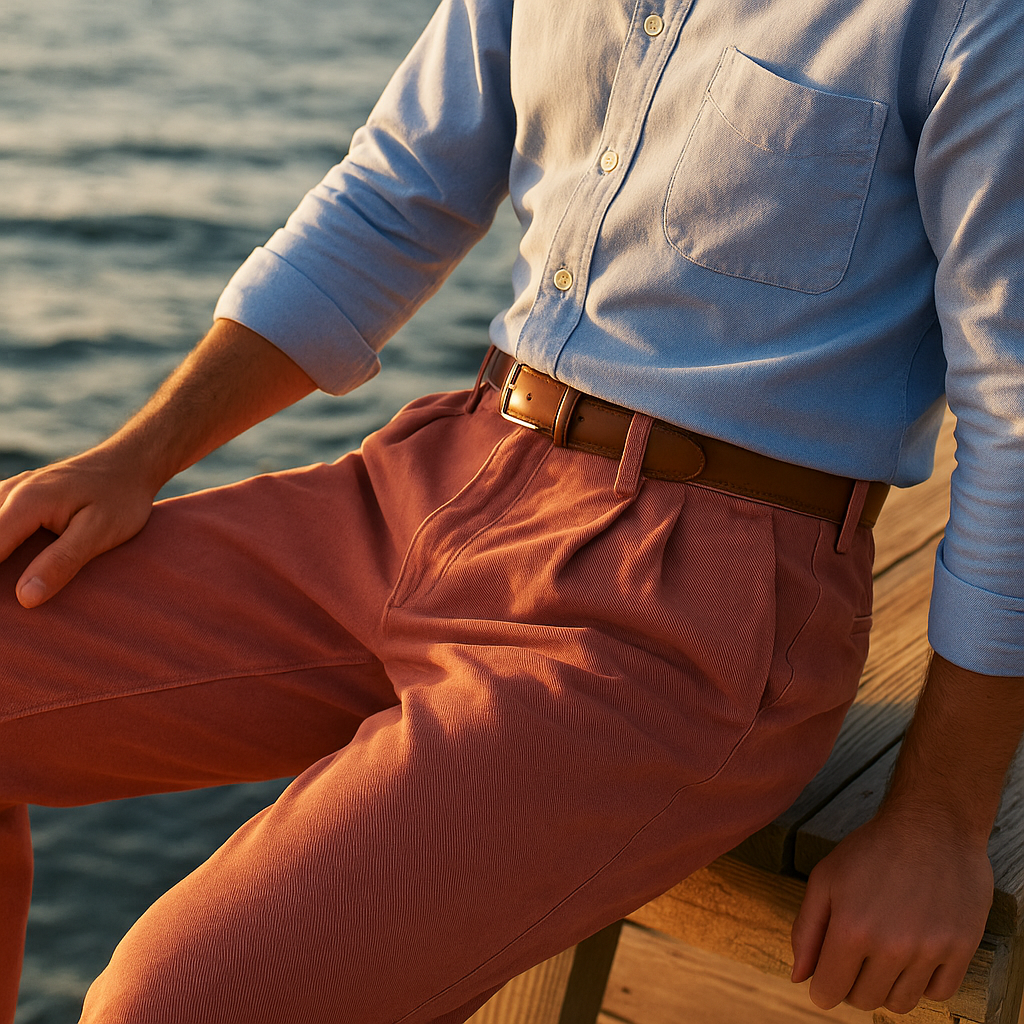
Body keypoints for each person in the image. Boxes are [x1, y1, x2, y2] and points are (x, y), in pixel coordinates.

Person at [2, 0, 1022, 1020]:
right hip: (445, 471)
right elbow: (391, 196)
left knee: (172, 1002)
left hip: (687, 609)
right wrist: (138, 455)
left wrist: (936, 819)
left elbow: (1014, 422)